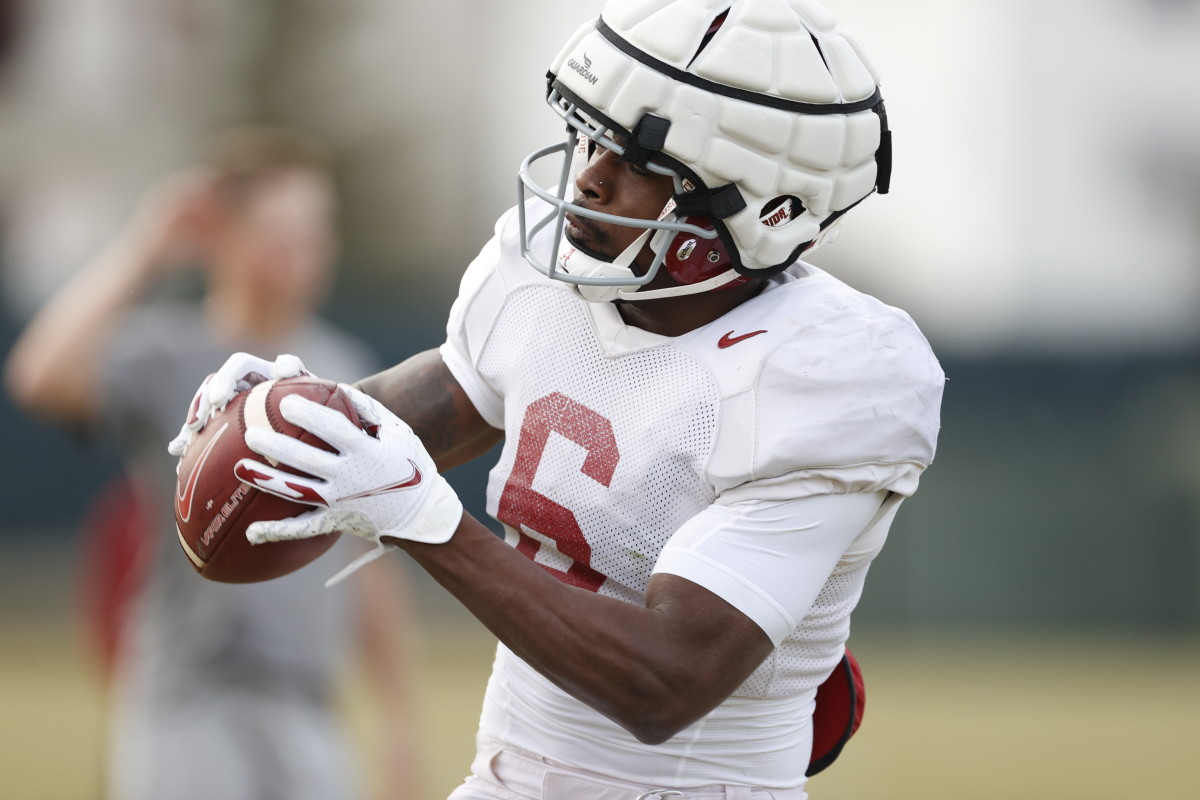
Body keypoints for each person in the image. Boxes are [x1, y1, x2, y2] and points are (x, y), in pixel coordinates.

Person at [169, 1, 944, 797]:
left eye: (641, 163)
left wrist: (428, 522)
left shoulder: (824, 376)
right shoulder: (547, 284)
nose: (590, 177)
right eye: (593, 135)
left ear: (762, 211)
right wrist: (284, 417)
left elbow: (665, 681)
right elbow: (413, 421)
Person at [4, 126, 422, 800]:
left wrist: (398, 719)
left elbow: (368, 559)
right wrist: (147, 248)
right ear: (226, 236)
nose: (302, 249)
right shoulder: (169, 351)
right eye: (278, 228)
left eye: (315, 229)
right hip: (186, 696)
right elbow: (37, 375)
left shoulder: (344, 375)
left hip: (307, 699)